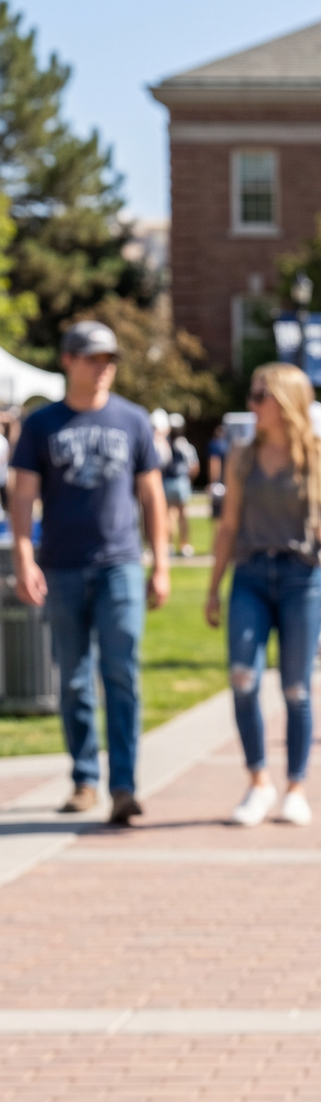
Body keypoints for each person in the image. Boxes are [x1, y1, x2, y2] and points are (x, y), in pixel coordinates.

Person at [8, 320, 170, 824]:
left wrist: (160, 563)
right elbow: (23, 496)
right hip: (62, 565)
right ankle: (84, 779)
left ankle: (123, 786)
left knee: (121, 671)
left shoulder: (133, 420)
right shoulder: (42, 424)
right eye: (93, 359)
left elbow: (152, 495)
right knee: (74, 678)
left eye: (109, 360)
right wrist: (23, 556)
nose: (104, 369)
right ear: (68, 362)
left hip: (120, 562)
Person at [205, 362, 321, 827]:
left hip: (301, 577)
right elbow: (227, 524)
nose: (252, 404)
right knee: (243, 678)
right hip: (249, 574)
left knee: (296, 688)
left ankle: (295, 787)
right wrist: (213, 586)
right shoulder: (241, 454)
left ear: (285, 400)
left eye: (259, 395)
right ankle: (257, 783)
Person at [155, 411, 200, 557]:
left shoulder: (165, 444)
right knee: (182, 515)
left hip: (168, 482)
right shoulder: (184, 445)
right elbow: (194, 466)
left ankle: (169, 546)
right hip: (180, 481)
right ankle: (184, 545)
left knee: (170, 516)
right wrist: (189, 479)